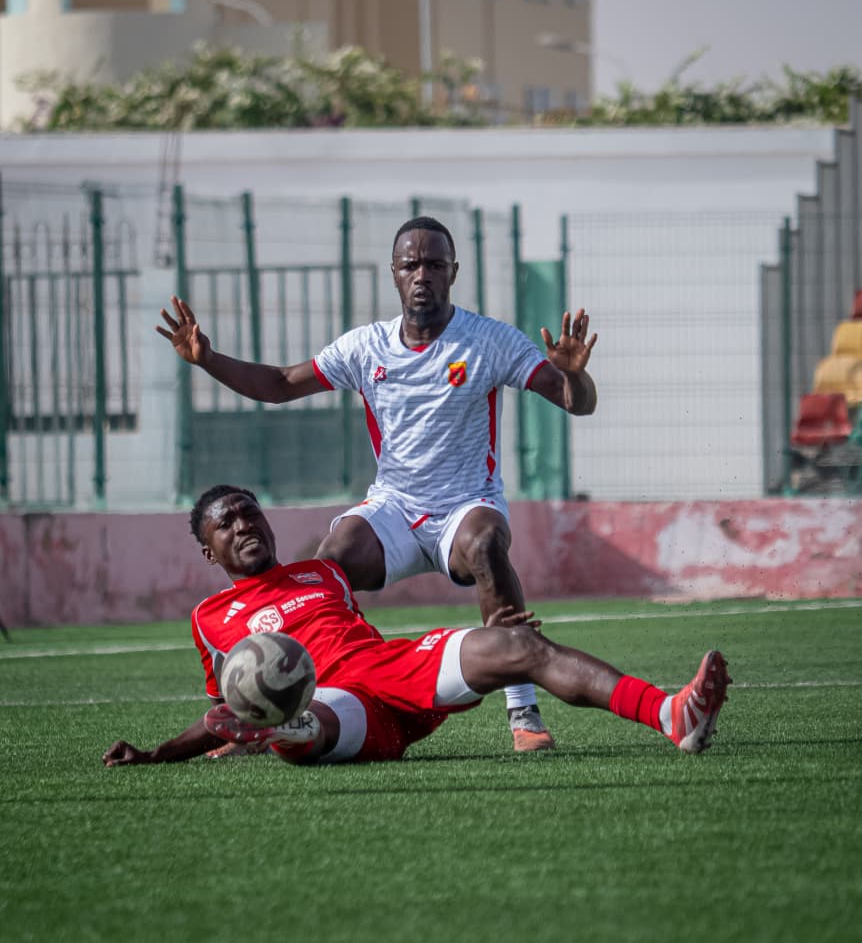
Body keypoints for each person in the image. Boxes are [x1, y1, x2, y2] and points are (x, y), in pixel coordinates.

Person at [155, 216, 599, 752]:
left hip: (465, 505)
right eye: (410, 265)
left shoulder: (489, 339)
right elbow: (278, 384)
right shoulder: (366, 347)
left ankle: (523, 710)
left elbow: (576, 403)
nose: (422, 274)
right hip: (394, 508)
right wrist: (207, 359)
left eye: (434, 264)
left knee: (485, 543)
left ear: (453, 272)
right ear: (394, 273)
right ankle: (276, 702)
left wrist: (574, 375)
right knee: (326, 566)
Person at [102, 486, 730, 768]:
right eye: (227, 523)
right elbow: (225, 708)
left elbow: (409, 540)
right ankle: (284, 730)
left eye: (249, 513)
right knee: (304, 721)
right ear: (209, 551)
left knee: (521, 645)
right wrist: (160, 753)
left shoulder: (323, 571)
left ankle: (672, 714)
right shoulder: (210, 620)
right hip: (334, 705)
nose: (243, 525)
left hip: (393, 670)